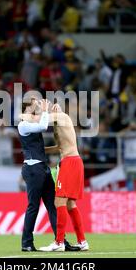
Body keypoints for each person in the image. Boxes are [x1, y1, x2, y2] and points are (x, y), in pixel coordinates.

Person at [17, 98, 78, 252]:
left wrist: (54, 111)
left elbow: (43, 122)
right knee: (33, 206)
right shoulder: (23, 125)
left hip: (42, 168)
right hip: (33, 169)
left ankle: (61, 241)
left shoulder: (31, 122)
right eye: (34, 105)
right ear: (27, 108)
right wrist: (45, 111)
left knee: (53, 206)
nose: (37, 107)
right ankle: (26, 243)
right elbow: (44, 126)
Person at [37, 102, 89, 252]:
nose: (55, 107)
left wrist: (44, 110)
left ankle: (59, 242)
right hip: (73, 161)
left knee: (59, 200)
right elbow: (60, 147)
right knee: (70, 204)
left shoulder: (63, 117)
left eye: (56, 106)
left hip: (70, 162)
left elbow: (42, 121)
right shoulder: (59, 125)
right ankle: (82, 241)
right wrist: (40, 150)